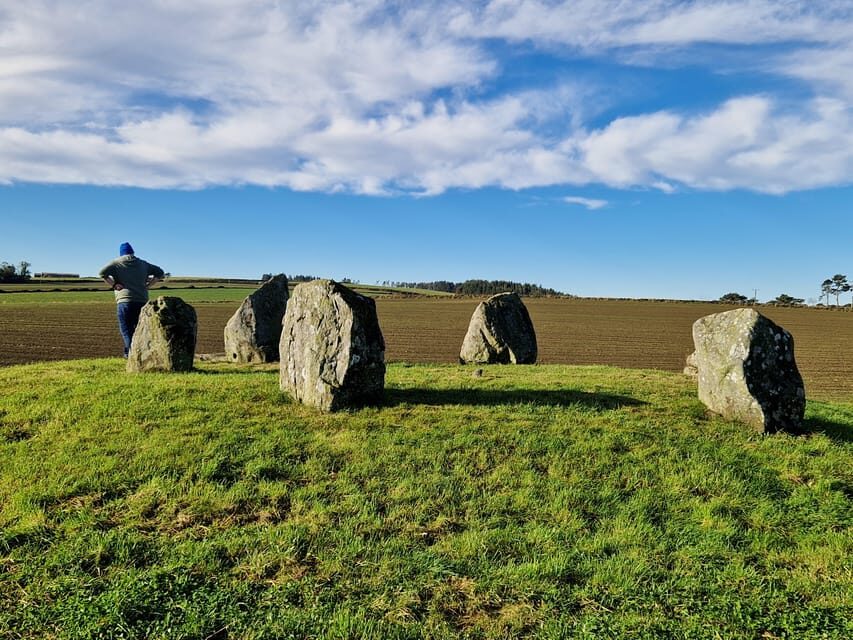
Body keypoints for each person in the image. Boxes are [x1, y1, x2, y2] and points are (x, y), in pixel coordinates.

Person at [99, 242, 165, 356]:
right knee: (140, 330)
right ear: (132, 252)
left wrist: (114, 285)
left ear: (121, 253)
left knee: (127, 331)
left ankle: (130, 355)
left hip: (124, 301)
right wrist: (149, 285)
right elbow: (160, 273)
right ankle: (143, 355)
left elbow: (102, 273)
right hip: (142, 302)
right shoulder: (143, 264)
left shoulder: (116, 263)